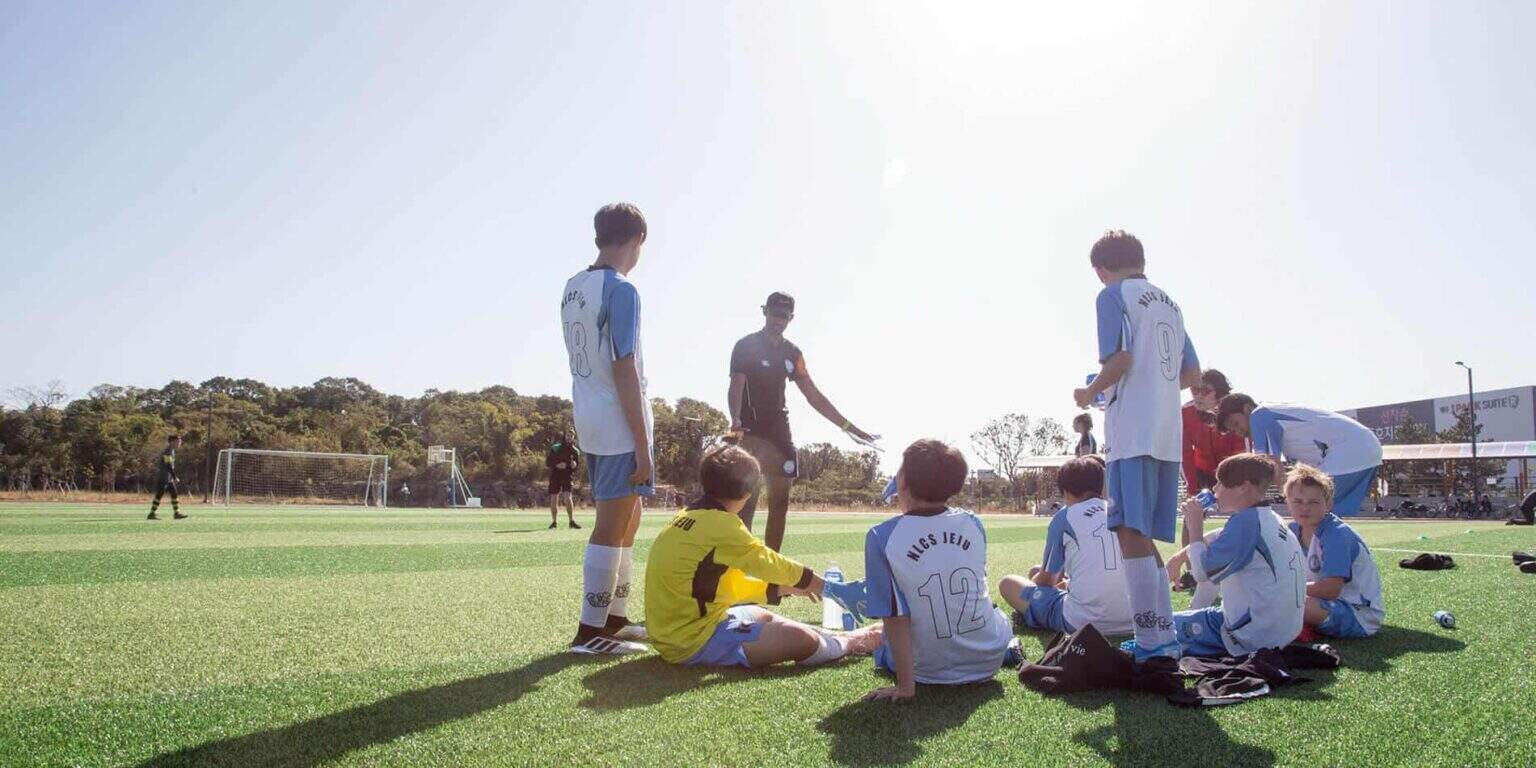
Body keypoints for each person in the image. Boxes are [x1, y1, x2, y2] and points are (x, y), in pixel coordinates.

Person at [1072, 231, 1201, 663]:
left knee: (1128, 529)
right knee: (1141, 533)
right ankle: (1161, 633)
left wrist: (1090, 394)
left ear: (1101, 270)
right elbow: (1192, 374)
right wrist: (1157, 389)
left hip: (1133, 431)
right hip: (1167, 433)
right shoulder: (1170, 301)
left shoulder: (1112, 295)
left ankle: (1153, 643)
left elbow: (1120, 359)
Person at [646, 442, 882, 667]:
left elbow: (713, 586)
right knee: (801, 639)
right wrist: (827, 587)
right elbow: (768, 561)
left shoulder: (686, 515)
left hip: (676, 633)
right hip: (692, 641)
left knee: (761, 614)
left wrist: (785, 588)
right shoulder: (722, 524)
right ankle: (850, 642)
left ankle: (836, 636)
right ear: (749, 492)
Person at [559, 202, 654, 655]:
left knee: (629, 520)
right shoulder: (622, 289)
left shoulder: (573, 286)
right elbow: (623, 364)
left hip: (589, 416)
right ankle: (590, 631)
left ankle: (615, 619)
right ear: (636, 240)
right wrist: (642, 443)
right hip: (618, 423)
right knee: (612, 524)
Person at [862, 439, 1016, 701]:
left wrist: (905, 688)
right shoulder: (974, 523)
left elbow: (895, 618)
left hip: (926, 670)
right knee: (995, 612)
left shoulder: (881, 536)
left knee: (884, 641)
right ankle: (1008, 649)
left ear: (903, 481)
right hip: (989, 659)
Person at [728, 291, 876, 553]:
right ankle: (742, 568)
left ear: (791, 318)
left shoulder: (792, 353)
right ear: (765, 311)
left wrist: (848, 427)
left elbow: (812, 394)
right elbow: (736, 385)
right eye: (774, 313)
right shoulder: (745, 346)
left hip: (779, 432)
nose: (778, 320)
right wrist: (735, 420)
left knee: (780, 503)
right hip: (750, 431)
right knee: (745, 502)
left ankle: (772, 572)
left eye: (784, 316)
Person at [1170, 453, 1305, 657]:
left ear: (1244, 486)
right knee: (1214, 564)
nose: (1214, 489)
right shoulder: (1267, 517)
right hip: (1281, 631)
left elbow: (1200, 573)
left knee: (1157, 628)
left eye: (1220, 483)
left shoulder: (1245, 523)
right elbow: (1219, 538)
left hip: (1253, 636)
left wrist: (1194, 527)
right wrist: (1179, 557)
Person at [999, 456, 1131, 635]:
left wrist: (1033, 590)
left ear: (1066, 492)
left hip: (1082, 623)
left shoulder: (1065, 516)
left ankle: (1031, 612)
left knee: (1008, 584)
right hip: (1131, 620)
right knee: (1035, 570)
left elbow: (1047, 580)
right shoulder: (1120, 512)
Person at [1216, 393, 1383, 516]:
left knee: (1310, 511)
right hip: (1366, 447)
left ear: (1246, 409)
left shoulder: (1258, 415)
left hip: (1350, 449)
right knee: (1331, 515)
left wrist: (1285, 498)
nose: (1239, 431)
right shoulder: (1273, 413)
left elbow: (1268, 464)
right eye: (1233, 430)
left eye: (1236, 423)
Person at [1284, 464, 1384, 638]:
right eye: (1298, 501)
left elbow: (1330, 590)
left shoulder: (1336, 535)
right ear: (1288, 503)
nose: (1305, 508)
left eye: (1314, 502)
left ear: (1328, 504)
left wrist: (1282, 589)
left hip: (1357, 614)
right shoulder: (1291, 531)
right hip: (1321, 602)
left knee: (1288, 601)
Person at [545, 433, 582, 529]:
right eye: (568, 435)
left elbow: (576, 467)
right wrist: (557, 465)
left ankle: (571, 521)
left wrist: (574, 465)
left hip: (567, 476)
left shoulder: (575, 451)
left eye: (571, 436)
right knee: (554, 498)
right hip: (555, 476)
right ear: (565, 436)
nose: (569, 437)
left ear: (573, 437)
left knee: (568, 498)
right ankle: (554, 522)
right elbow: (548, 462)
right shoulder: (556, 448)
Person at [147, 434, 185, 521]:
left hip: (168, 477)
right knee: (159, 495)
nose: (179, 443)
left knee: (174, 493)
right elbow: (168, 465)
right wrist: (174, 477)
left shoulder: (172, 451)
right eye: (178, 441)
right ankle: (151, 514)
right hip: (163, 477)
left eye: (180, 441)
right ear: (172, 442)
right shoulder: (168, 451)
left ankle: (176, 513)